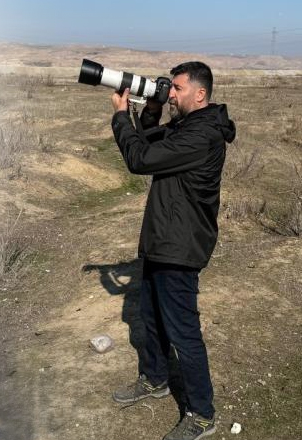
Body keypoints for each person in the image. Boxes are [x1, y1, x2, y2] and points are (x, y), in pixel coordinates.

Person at [108, 61, 235, 440]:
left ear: (200, 93)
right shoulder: (187, 125)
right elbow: (150, 140)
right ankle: (155, 379)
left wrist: (119, 117)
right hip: (162, 238)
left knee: (183, 331)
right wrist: (149, 109)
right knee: (151, 318)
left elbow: (140, 159)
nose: (172, 93)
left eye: (177, 89)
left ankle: (201, 414)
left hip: (180, 246)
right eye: (171, 88)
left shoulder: (203, 135)